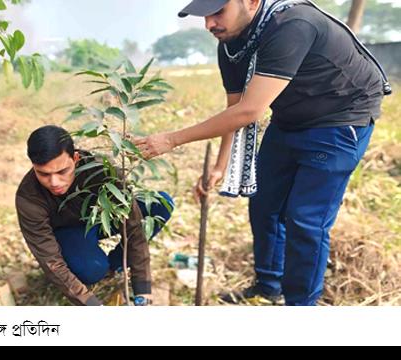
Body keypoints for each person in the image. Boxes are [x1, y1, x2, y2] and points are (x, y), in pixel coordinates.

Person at [136, 0, 390, 305]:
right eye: (204, 16)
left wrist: (172, 139)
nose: (209, 25)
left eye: (218, 13)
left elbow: (250, 112)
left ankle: (300, 306)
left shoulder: (292, 24)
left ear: (252, 2)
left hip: (340, 118)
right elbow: (236, 109)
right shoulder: (231, 45)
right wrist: (221, 166)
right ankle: (269, 283)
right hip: (290, 119)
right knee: (264, 203)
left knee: (305, 221)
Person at [16, 126, 174, 306]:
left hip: (103, 218)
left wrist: (143, 289)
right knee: (92, 271)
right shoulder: (28, 198)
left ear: (75, 158)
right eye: (43, 174)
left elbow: (134, 227)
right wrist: (92, 305)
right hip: (70, 232)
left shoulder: (101, 170)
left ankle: (116, 265)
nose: (54, 182)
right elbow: (51, 261)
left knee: (161, 203)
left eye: (62, 172)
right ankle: (98, 267)